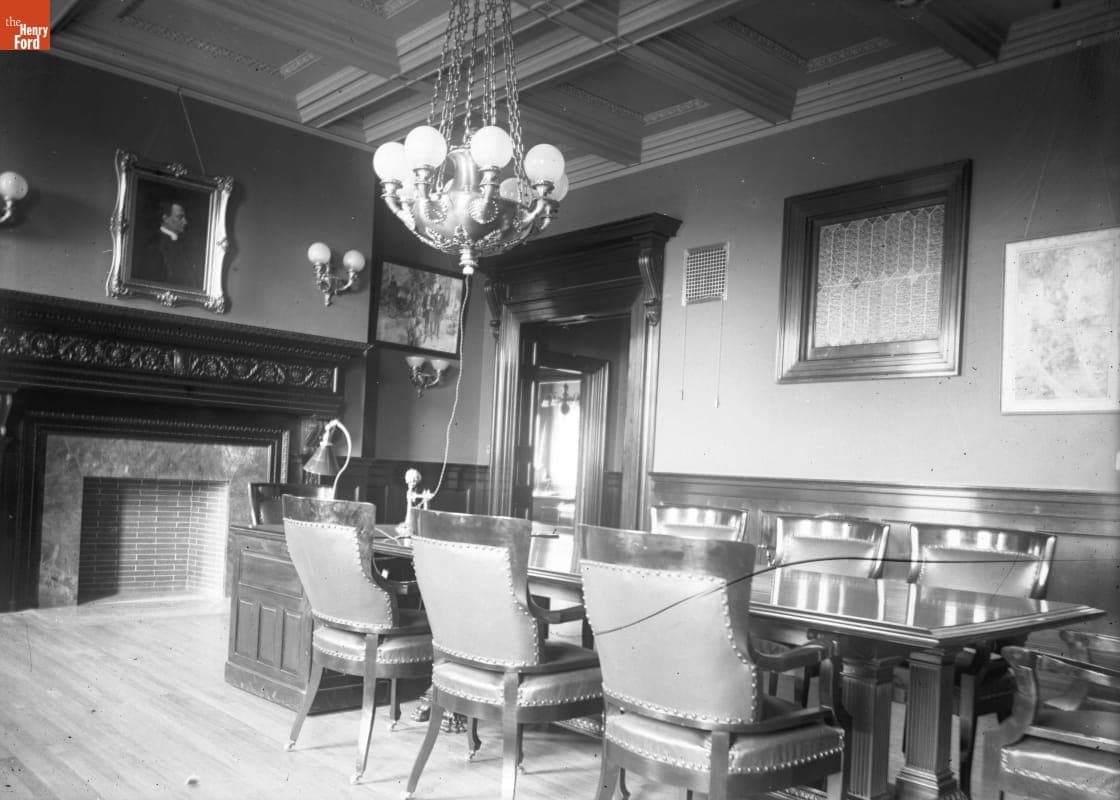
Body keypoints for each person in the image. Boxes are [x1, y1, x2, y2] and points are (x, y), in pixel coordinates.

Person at [138, 199, 201, 288]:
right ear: (165, 218)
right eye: (179, 217)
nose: (185, 222)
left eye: (184, 217)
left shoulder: (183, 244)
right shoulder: (154, 246)